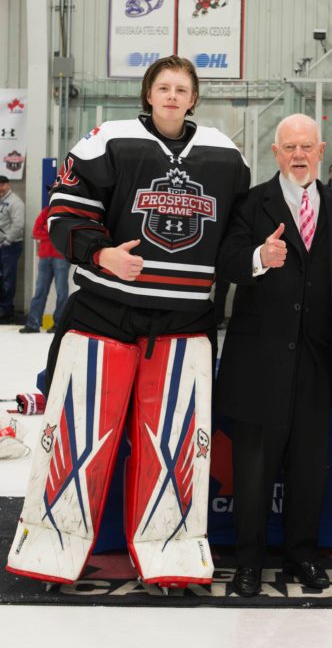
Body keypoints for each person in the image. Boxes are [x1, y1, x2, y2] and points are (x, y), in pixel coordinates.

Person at [7, 55, 249, 589]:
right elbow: (64, 215)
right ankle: (53, 546)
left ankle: (172, 553)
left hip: (185, 323)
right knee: (78, 436)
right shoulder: (107, 139)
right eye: (162, 86)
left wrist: (255, 258)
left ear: (193, 97)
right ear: (147, 93)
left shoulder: (225, 154)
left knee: (175, 446)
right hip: (104, 315)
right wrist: (101, 255)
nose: (171, 95)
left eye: (181, 88)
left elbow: (235, 235)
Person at [215, 113, 332, 597]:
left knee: (308, 468)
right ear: (276, 153)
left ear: (321, 151)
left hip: (319, 363)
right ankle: (248, 561)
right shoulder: (250, 202)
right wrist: (259, 258)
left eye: (306, 147)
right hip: (258, 361)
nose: (298, 155)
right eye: (289, 147)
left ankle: (303, 554)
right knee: (254, 470)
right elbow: (226, 259)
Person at [19, 204, 70, 334]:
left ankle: (59, 324)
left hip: (61, 257)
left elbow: (67, 234)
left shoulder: (68, 212)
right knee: (40, 291)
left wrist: (46, 230)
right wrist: (53, 232)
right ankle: (33, 323)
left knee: (61, 292)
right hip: (45, 257)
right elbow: (36, 232)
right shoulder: (46, 211)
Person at [0, 175, 24, 324]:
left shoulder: (15, 202)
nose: (0, 188)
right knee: (1, 279)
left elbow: (18, 224)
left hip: (10, 246)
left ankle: (6, 311)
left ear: (8, 185)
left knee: (9, 278)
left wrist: (7, 241)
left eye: (2, 185)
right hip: (2, 246)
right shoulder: (2, 201)